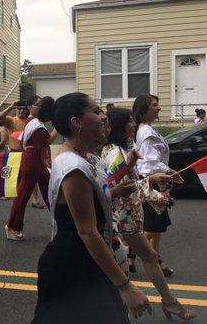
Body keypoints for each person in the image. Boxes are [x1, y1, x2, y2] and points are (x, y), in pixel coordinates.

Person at [32, 92, 151, 324]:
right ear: (76, 123)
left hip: (85, 260)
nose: (103, 116)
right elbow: (87, 230)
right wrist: (125, 286)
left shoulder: (83, 157)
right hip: (76, 266)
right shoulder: (74, 166)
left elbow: (87, 201)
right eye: (96, 111)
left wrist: (116, 191)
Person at [102, 108, 197, 320]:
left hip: (131, 216)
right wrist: (153, 186)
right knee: (145, 258)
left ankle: (165, 302)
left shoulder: (122, 150)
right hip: (123, 218)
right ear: (119, 125)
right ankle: (165, 303)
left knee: (146, 258)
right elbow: (118, 188)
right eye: (129, 121)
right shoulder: (116, 154)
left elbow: (132, 184)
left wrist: (154, 192)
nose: (134, 124)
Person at [133, 94, 184, 278]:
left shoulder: (146, 129)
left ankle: (155, 261)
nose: (159, 108)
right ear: (144, 109)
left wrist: (169, 171)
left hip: (153, 181)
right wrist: (169, 172)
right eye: (154, 105)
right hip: (152, 182)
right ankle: (128, 252)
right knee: (154, 226)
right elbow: (149, 163)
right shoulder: (146, 132)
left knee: (157, 226)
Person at [5, 96, 55, 240]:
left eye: (41, 104)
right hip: (32, 160)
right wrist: (58, 126)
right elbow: (48, 141)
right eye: (37, 104)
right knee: (23, 195)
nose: (40, 106)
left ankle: (62, 224)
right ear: (31, 107)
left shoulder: (33, 122)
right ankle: (12, 226)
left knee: (51, 191)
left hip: (35, 159)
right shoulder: (35, 123)